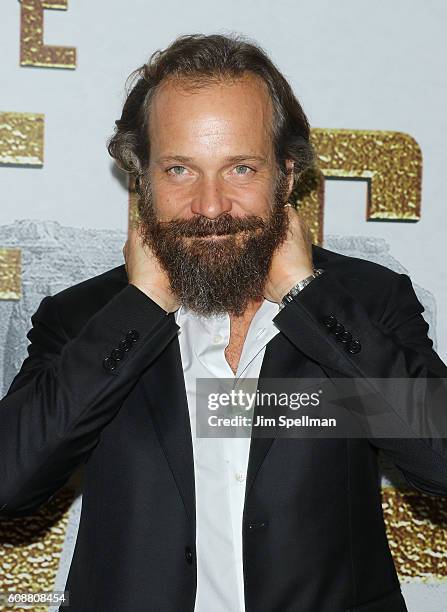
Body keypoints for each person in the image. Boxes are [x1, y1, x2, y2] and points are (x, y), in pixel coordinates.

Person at [1, 33, 446, 612]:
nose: (210, 206)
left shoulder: (365, 302)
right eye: (181, 169)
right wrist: (142, 307)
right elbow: (11, 483)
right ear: (143, 181)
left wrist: (304, 297)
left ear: (286, 176)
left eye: (240, 167)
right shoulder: (84, 319)